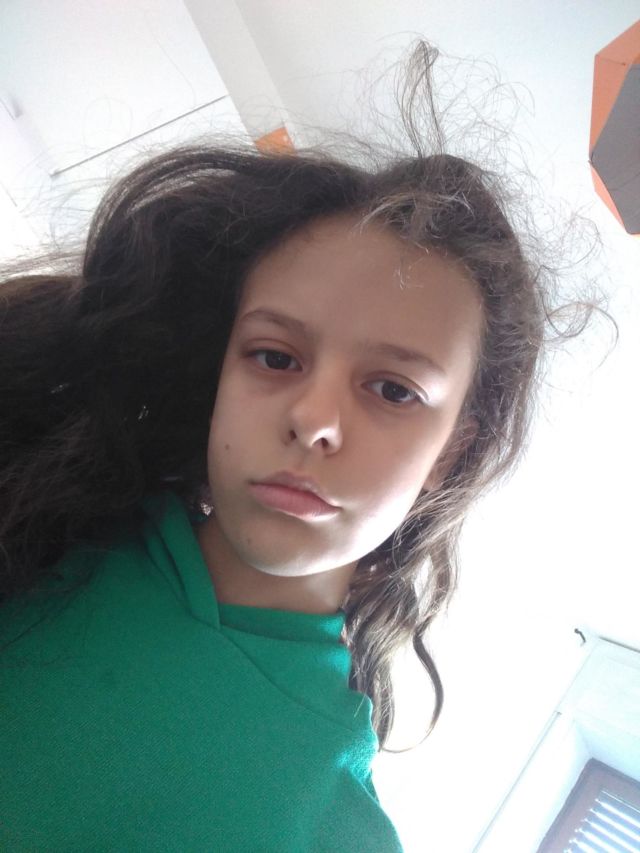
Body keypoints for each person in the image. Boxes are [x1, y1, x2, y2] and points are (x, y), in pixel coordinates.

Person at [0, 42, 612, 852]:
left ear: (450, 452)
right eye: (274, 357)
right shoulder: (39, 507)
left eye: (393, 389)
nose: (314, 420)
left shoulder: (331, 826)